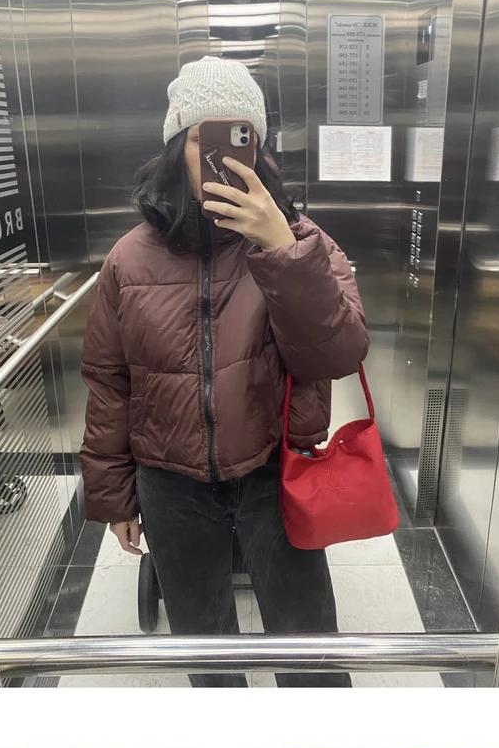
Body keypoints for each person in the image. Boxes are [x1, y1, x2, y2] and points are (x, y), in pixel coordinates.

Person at [80, 57, 369, 689]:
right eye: (202, 140)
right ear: (174, 150)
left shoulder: (302, 242)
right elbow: (109, 381)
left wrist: (281, 250)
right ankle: (227, 745)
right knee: (204, 645)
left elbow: (339, 355)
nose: (222, 158)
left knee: (308, 643)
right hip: (169, 482)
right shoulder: (129, 259)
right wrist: (113, 494)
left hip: (274, 470)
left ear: (259, 150)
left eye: (242, 138)